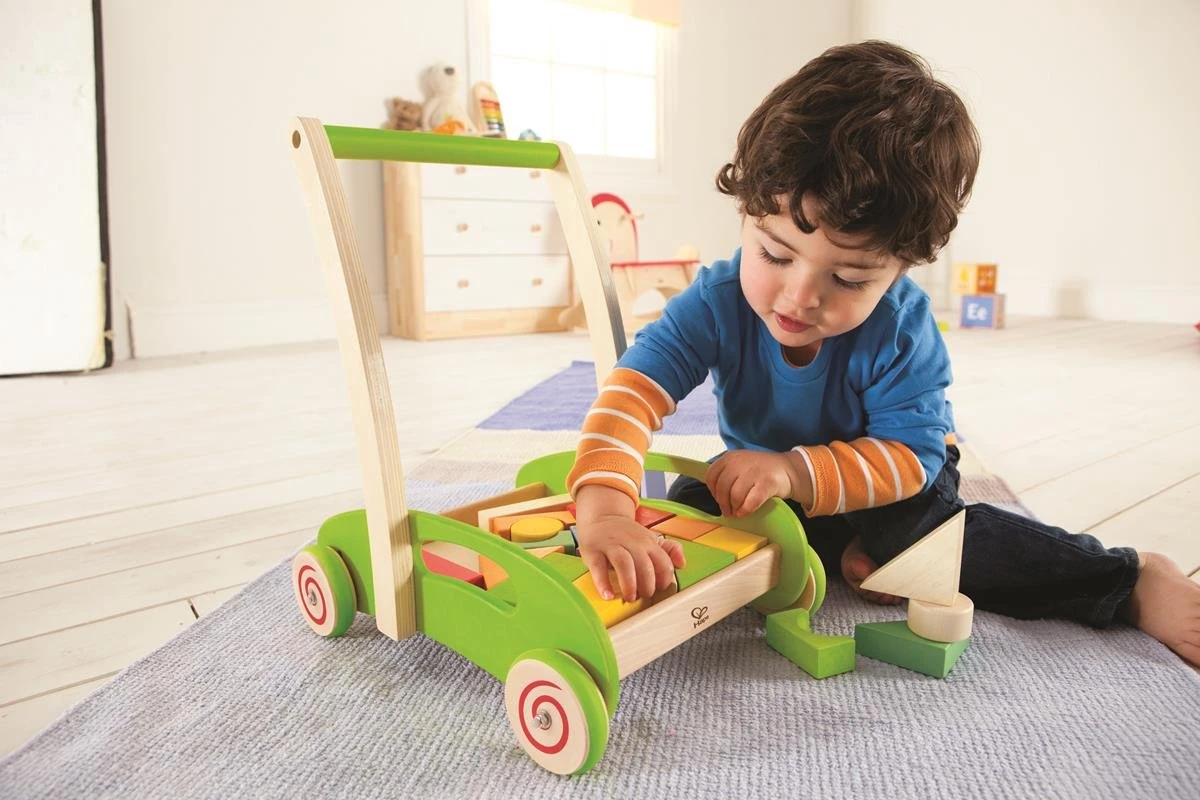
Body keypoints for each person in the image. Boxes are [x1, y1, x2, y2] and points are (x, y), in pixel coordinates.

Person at [566, 40, 1200, 668]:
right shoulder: (715, 300)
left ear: (901, 268)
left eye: (847, 279)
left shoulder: (902, 329)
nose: (800, 296)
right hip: (778, 481)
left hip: (896, 474)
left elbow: (910, 460)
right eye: (775, 255)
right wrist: (606, 511)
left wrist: (793, 470)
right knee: (692, 507)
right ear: (745, 214)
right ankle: (857, 554)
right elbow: (632, 392)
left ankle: (1128, 581)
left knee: (924, 537)